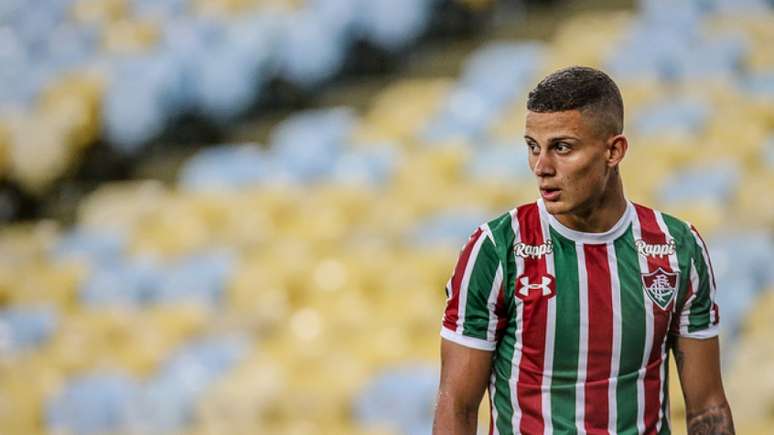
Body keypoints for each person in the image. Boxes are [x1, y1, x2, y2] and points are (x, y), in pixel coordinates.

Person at [432, 66, 734, 434]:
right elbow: (457, 406)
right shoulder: (496, 249)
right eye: (532, 147)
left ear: (614, 150)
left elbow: (707, 408)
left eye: (562, 147)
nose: (541, 167)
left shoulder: (676, 247)